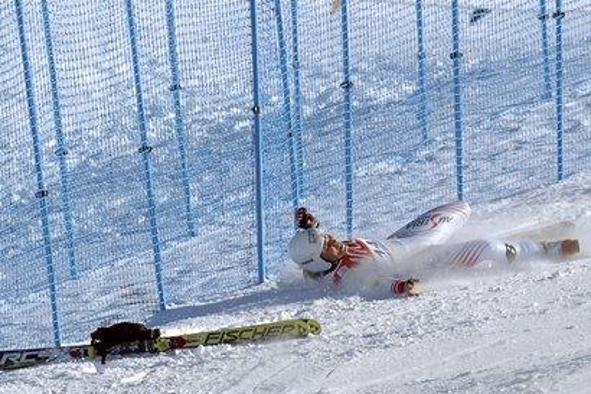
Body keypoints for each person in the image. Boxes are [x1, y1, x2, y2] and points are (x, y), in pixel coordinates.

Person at [287, 202, 580, 298]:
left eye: (328, 236)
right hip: (418, 261)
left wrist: (310, 226)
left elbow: (313, 259)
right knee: (486, 248)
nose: (334, 241)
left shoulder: (322, 259)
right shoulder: (348, 275)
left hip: (406, 239)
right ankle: (544, 248)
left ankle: (512, 240)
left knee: (460, 207)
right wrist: (401, 286)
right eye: (327, 245)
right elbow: (374, 286)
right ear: (319, 261)